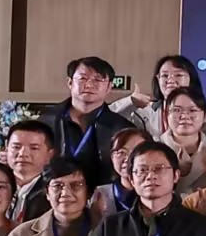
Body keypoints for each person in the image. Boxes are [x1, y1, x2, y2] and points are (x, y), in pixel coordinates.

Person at [43, 56, 139, 188]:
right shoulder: (46, 121)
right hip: (54, 193)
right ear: (70, 83)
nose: (89, 85)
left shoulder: (123, 128)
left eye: (98, 80)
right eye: (82, 78)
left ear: (109, 87)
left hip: (105, 196)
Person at [152, 89, 206, 191]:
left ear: (205, 116)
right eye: (177, 110)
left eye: (192, 110)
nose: (184, 116)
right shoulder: (153, 148)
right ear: (166, 115)